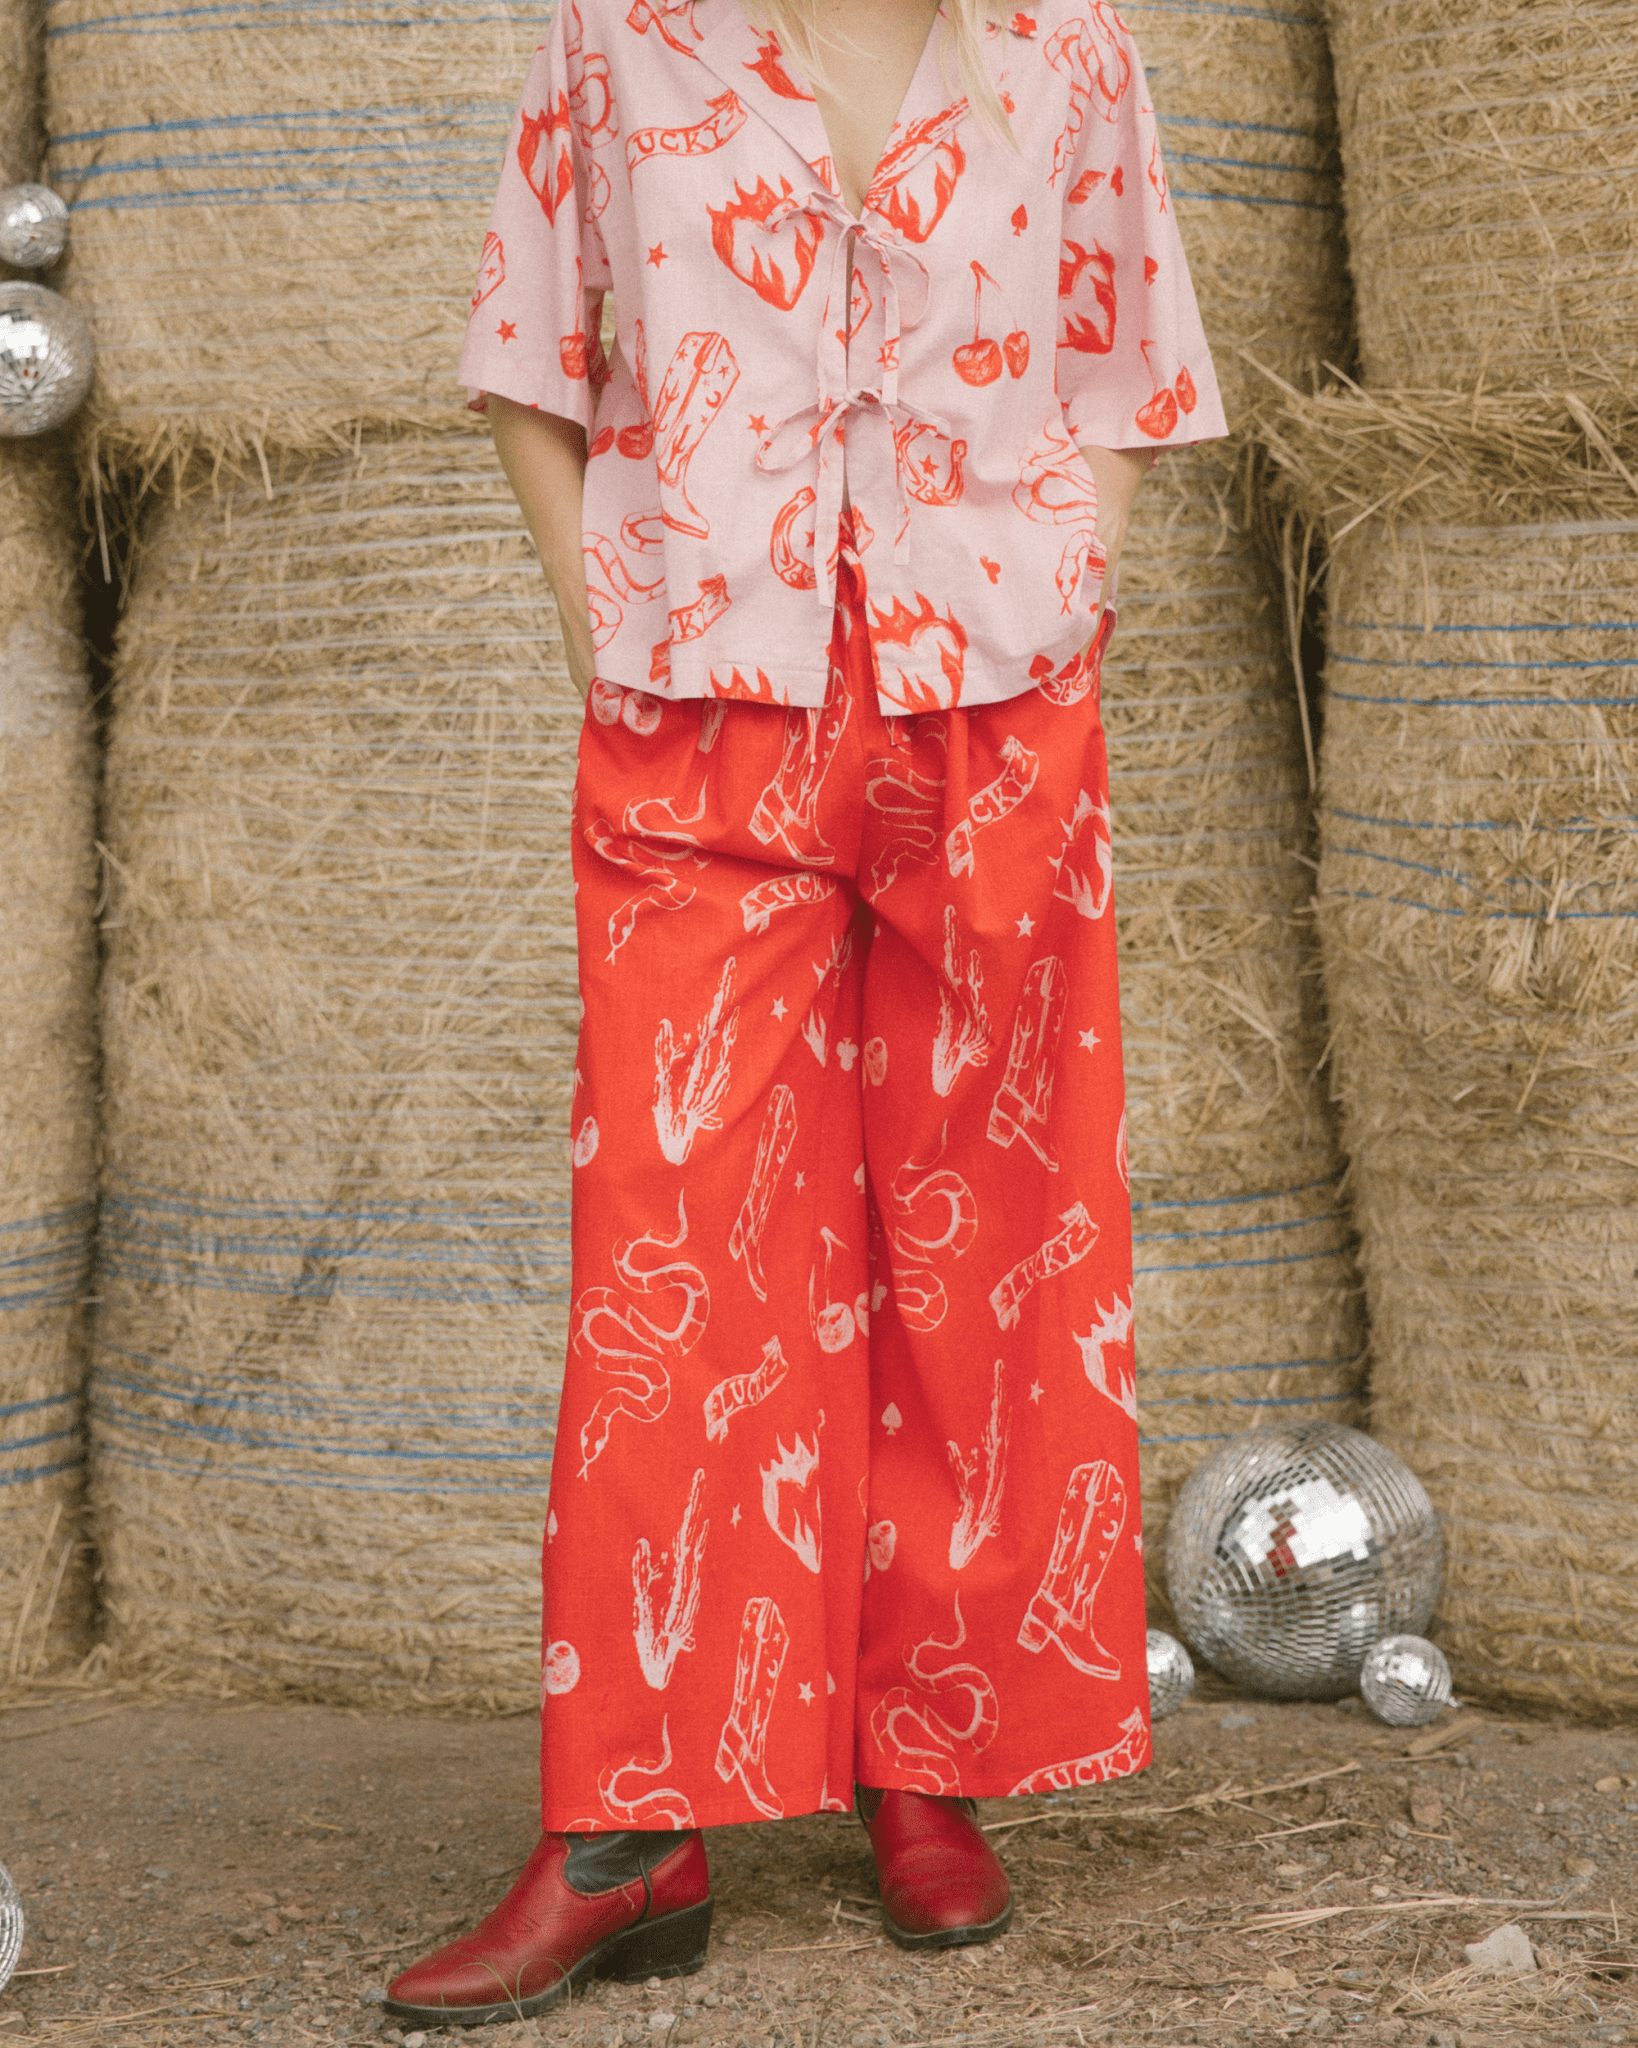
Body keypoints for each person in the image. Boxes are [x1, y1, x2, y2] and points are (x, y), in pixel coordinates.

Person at [385, 0, 1224, 2027]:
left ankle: (927, 1757)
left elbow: (1127, 367)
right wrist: (609, 627)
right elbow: (526, 357)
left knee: (981, 1247)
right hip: (704, 710)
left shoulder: (1066, 49)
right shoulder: (623, 38)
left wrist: (1061, 600)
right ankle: (629, 1829)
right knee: (670, 1247)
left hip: (991, 710)